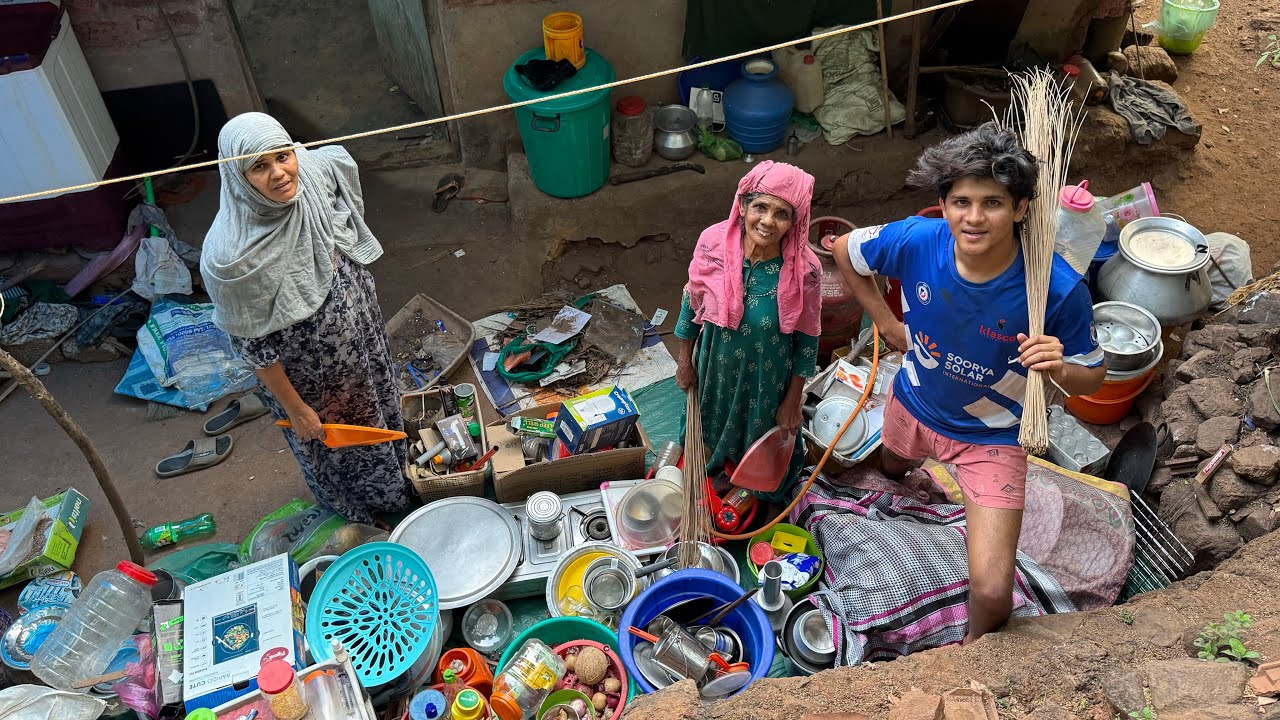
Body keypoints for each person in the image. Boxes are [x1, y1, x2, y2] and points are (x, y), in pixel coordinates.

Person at [832, 122, 1105, 641]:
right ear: (943, 203)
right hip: (913, 401)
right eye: (961, 201)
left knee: (991, 592)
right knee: (891, 469)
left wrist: (1060, 367)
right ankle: (903, 487)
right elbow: (844, 249)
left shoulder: (1055, 289)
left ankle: (971, 660)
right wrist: (883, 320)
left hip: (993, 438)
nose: (974, 218)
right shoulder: (916, 239)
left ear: (1021, 208)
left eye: (993, 203)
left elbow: (1094, 375)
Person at [200, 112, 411, 525]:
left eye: (283, 156)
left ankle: (399, 491)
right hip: (312, 380)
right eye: (259, 167)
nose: (279, 174)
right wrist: (295, 408)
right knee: (337, 446)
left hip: (360, 343)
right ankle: (362, 520)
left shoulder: (306, 177)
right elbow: (254, 350)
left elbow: (334, 159)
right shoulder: (231, 258)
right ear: (237, 178)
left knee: (380, 421)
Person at [675, 161, 822, 502]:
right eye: (760, 207)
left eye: (782, 214)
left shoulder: (805, 270)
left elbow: (808, 338)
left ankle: (752, 488)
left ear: (794, 221)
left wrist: (793, 399)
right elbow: (692, 299)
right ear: (742, 206)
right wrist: (685, 361)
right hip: (715, 367)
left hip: (767, 379)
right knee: (707, 427)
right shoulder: (712, 244)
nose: (768, 221)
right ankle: (712, 470)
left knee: (762, 443)